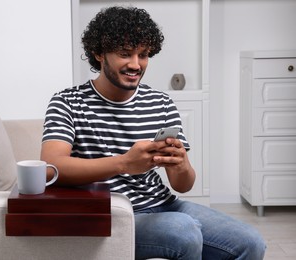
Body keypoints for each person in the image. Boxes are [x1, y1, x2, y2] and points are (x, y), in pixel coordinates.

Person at [41, 6, 266, 260]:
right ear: (99, 54)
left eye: (144, 54)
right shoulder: (67, 102)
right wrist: (125, 163)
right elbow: (51, 167)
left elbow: (184, 185)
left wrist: (180, 165)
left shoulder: (161, 102)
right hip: (112, 213)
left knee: (251, 242)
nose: (136, 64)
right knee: (183, 231)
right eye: (125, 54)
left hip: (164, 204)